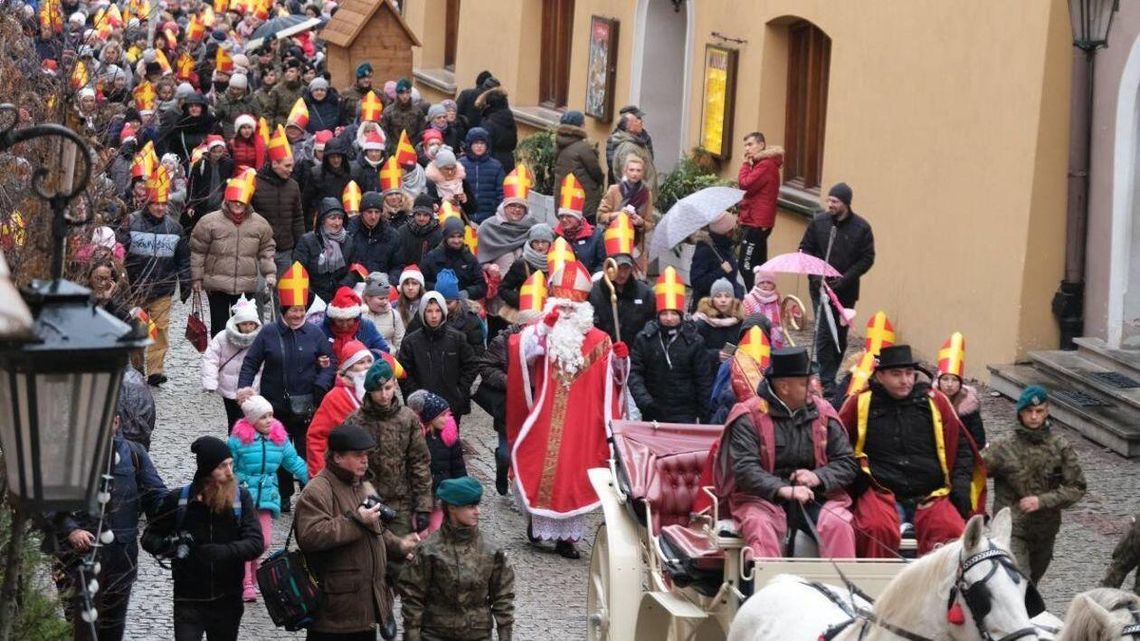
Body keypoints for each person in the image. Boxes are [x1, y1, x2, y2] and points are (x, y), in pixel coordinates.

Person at [509, 261, 628, 558]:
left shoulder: (600, 340)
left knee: (574, 474)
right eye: (562, 307)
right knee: (539, 468)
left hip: (582, 421)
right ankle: (537, 525)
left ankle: (567, 539)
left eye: (572, 309)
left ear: (584, 310)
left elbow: (614, 381)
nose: (566, 313)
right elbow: (522, 351)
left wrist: (621, 362)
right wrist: (543, 327)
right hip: (545, 414)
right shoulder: (544, 332)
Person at [837, 344, 985, 557]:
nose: (905, 380)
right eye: (896, 374)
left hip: (931, 493)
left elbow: (961, 446)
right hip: (881, 492)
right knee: (873, 528)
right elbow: (839, 446)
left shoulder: (936, 402)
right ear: (880, 376)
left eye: (909, 373)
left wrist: (960, 488)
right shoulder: (859, 404)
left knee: (952, 531)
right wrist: (859, 485)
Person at [714, 347, 858, 558]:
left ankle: (841, 580)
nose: (814, 387)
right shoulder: (748, 415)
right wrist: (783, 489)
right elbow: (745, 470)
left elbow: (847, 463)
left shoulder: (825, 412)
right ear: (783, 386)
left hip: (815, 498)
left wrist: (818, 477)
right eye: (805, 382)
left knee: (839, 524)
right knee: (760, 527)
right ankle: (767, 579)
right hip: (761, 500)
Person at [294, 424, 420, 640]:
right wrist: (356, 521)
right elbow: (311, 536)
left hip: (365, 607)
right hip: (335, 612)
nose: (365, 460)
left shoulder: (359, 486)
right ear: (337, 457)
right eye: (358, 455)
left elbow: (374, 528)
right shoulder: (318, 490)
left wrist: (399, 546)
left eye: (366, 455)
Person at [51, 410, 166, 641]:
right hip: (76, 561)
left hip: (121, 561)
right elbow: (49, 505)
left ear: (116, 422)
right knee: (80, 629)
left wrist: (186, 502)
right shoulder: (67, 456)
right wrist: (72, 530)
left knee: (112, 630)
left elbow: (156, 496)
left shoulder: (134, 453)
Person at [141, 436, 264, 641]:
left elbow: (255, 543)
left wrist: (225, 551)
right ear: (207, 470)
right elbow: (148, 537)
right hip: (188, 599)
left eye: (231, 464)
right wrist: (170, 547)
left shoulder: (240, 499)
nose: (229, 472)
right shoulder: (180, 500)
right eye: (222, 466)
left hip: (227, 599)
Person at [238, 265, 335, 512]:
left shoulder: (315, 333)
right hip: (275, 405)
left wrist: (321, 384)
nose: (297, 314)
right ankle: (282, 495)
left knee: (304, 452)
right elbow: (250, 363)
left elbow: (330, 363)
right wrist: (244, 388)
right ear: (284, 309)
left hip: (306, 406)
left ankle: (309, 494)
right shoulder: (268, 333)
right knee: (277, 452)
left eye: (301, 310)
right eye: (293, 310)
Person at [983, 386, 1085, 583]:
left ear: (1047, 412)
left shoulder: (1060, 446)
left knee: (1032, 583)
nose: (1034, 417)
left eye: (1039, 411)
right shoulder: (1003, 446)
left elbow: (1077, 487)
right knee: (1020, 581)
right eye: (1029, 411)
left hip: (1045, 529)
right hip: (1012, 527)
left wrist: (1042, 501)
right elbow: (976, 473)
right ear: (1020, 413)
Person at [399, 477, 515, 641]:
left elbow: (503, 597)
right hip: (435, 634)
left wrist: (505, 636)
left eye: (477, 505)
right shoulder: (428, 550)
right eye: (471, 507)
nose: (478, 511)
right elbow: (413, 597)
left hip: (477, 634)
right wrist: (412, 636)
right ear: (452, 508)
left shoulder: (491, 550)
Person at [227, 396, 310, 602]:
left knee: (264, 541)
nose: (269, 420)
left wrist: (312, 479)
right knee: (245, 539)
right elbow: (228, 465)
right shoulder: (237, 440)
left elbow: (293, 462)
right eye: (263, 417)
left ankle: (252, 572)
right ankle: (246, 582)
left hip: (267, 495)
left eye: (271, 415)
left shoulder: (279, 438)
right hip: (243, 495)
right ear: (252, 419)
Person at [800, 182, 875, 397]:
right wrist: (815, 275)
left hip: (845, 291)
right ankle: (826, 380)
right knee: (825, 331)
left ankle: (830, 373)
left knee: (839, 335)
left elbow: (867, 258)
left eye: (835, 201)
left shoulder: (861, 228)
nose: (830, 204)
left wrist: (845, 279)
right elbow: (806, 248)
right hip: (820, 288)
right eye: (829, 200)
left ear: (846, 204)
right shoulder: (819, 222)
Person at [122, 169, 191, 387]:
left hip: (163, 289)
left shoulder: (175, 228)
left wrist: (186, 281)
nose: (160, 208)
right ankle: (136, 365)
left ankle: (155, 370)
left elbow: (183, 258)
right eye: (156, 204)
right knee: (137, 328)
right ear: (148, 203)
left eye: (163, 204)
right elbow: (120, 253)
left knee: (160, 329)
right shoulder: (131, 222)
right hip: (135, 289)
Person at [352, 358, 434, 538]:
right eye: (378, 390)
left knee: (401, 549)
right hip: (366, 501)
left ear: (395, 385)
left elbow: (419, 462)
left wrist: (423, 506)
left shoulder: (408, 418)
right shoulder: (355, 422)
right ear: (369, 391)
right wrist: (362, 483)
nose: (384, 395)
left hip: (400, 503)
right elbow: (343, 462)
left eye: (388, 388)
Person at [189, 175, 277, 336]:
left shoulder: (260, 224)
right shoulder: (209, 222)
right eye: (234, 201)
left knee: (244, 328)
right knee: (219, 328)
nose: (238, 204)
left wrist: (270, 273)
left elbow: (267, 250)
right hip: (217, 285)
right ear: (227, 200)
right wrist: (197, 278)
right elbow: (198, 251)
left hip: (245, 285)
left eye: (241, 201)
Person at [628, 267, 712, 423]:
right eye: (664, 313)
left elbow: (703, 381)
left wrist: (705, 416)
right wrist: (644, 401)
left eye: (673, 313)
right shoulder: (644, 339)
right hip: (653, 411)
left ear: (680, 315)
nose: (669, 318)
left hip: (685, 414)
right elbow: (635, 373)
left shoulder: (694, 341)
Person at [398, 290, 479, 425]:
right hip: (421, 405)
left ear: (443, 312)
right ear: (423, 313)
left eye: (437, 311)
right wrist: (414, 394)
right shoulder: (411, 342)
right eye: (429, 311)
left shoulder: (457, 338)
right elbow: (404, 372)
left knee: (449, 437)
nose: (434, 316)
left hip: (450, 404)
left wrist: (459, 390)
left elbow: (471, 364)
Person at [305, 340, 374, 477]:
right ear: (348, 368)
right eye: (361, 363)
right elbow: (316, 438)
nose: (366, 367)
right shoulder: (334, 398)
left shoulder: (377, 392)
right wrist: (321, 476)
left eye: (369, 362)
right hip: (347, 469)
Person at [588, 213, 655, 343]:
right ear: (609, 267)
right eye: (618, 268)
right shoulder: (594, 293)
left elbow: (651, 327)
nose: (622, 274)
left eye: (626, 268)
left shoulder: (645, 294)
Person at [407, 391, 466, 534]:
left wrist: (462, 490)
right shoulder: (416, 438)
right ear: (430, 417)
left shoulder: (449, 438)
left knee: (437, 531)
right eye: (442, 415)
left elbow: (458, 466)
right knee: (419, 533)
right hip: (418, 498)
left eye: (447, 414)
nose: (447, 419)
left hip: (441, 495)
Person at [251, 126, 306, 277]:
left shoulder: (293, 186)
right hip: (260, 251)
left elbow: (298, 218)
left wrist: (300, 245)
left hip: (285, 250)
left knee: (283, 290)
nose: (291, 170)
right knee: (259, 290)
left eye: (292, 166)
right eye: (287, 166)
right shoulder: (255, 184)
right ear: (274, 164)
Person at [202, 295, 262, 429]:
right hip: (228, 388)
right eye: (244, 324)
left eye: (251, 324)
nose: (248, 328)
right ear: (237, 324)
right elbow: (211, 359)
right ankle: (234, 439)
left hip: (251, 388)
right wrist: (210, 382)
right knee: (232, 420)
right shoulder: (222, 337)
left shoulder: (261, 339)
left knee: (246, 420)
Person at [737, 132, 784, 289]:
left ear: (761, 145)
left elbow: (745, 184)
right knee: (760, 266)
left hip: (756, 223)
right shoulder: (762, 164)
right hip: (758, 221)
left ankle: (755, 298)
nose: (747, 149)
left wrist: (745, 165)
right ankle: (763, 296)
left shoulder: (765, 165)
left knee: (746, 266)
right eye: (745, 145)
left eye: (750, 144)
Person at [597, 155, 655, 273]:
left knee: (635, 279)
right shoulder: (614, 190)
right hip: (615, 241)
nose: (635, 173)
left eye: (638, 170)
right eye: (631, 170)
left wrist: (640, 222)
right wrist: (617, 215)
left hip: (636, 244)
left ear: (643, 173)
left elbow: (649, 223)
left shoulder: (646, 194)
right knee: (614, 274)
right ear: (625, 171)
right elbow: (600, 216)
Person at [294, 198, 355, 304]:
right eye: (332, 218)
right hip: (313, 300)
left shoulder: (348, 241)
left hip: (341, 297)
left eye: (340, 218)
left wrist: (343, 286)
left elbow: (356, 269)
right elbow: (298, 273)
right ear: (322, 220)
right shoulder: (307, 241)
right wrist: (312, 298)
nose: (337, 222)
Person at [934, 333, 986, 449]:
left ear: (960, 383)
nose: (949, 384)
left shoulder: (969, 407)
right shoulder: (929, 402)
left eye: (954, 380)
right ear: (939, 381)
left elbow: (979, 441)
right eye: (945, 379)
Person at [554, 110, 605, 224]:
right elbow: (596, 172)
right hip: (583, 201)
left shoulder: (559, 144)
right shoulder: (583, 147)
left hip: (565, 200)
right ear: (580, 126)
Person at [422, 217, 487, 299]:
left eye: (460, 236)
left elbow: (482, 286)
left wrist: (467, 293)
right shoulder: (433, 257)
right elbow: (421, 281)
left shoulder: (469, 258)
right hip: (437, 301)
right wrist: (438, 288)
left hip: (463, 302)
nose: (456, 241)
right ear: (445, 237)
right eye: (452, 237)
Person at [552, 175, 605, 272]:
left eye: (569, 216)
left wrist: (593, 278)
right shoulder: (554, 235)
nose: (564, 219)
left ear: (578, 218)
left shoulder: (596, 236)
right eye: (562, 216)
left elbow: (602, 263)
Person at [321, 286, 391, 356]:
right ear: (333, 319)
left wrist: (364, 357)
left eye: (348, 320)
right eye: (340, 321)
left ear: (355, 318)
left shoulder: (367, 326)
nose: (345, 325)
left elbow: (383, 350)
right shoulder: (322, 329)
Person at [186, 136, 236, 229]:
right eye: (214, 152)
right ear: (209, 151)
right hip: (203, 206)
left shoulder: (229, 164)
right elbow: (193, 185)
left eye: (220, 151)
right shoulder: (200, 164)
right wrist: (191, 205)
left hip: (221, 205)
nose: (217, 155)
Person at [693, 278, 745, 367]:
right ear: (712, 299)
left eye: (727, 296)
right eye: (718, 296)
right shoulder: (701, 323)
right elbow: (693, 352)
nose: (723, 300)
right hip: (708, 370)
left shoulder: (740, 322)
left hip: (733, 369)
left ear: (733, 299)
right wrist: (715, 355)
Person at [346, 190, 401, 274]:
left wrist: (388, 280)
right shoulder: (349, 233)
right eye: (369, 212)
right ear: (362, 212)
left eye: (377, 212)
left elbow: (398, 267)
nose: (373, 217)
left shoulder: (392, 236)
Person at [460, 127, 506, 224]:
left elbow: (501, 193)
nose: (479, 146)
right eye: (476, 143)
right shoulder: (460, 165)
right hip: (464, 216)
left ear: (487, 145)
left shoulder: (496, 166)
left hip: (489, 217)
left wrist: (498, 213)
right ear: (469, 145)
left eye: (482, 143)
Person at [606, 107, 655, 188]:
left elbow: (650, 158)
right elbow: (613, 163)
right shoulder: (618, 139)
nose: (640, 121)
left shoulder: (645, 137)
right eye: (637, 119)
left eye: (640, 118)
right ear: (628, 123)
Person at [475, 86, 517, 172]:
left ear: (489, 105)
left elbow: (484, 145)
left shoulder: (488, 122)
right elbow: (514, 143)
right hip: (509, 161)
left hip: (491, 162)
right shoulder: (510, 120)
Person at [742, 269, 787, 349]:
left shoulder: (778, 297)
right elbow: (747, 320)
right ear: (757, 283)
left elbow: (783, 316)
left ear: (773, 284)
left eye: (769, 282)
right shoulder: (749, 299)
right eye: (762, 282)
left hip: (776, 337)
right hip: (757, 338)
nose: (765, 285)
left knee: (776, 355)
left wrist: (790, 314)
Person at [362, 272, 406, 352]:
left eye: (387, 298)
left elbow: (400, 344)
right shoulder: (360, 315)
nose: (385, 302)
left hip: (389, 358)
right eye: (381, 298)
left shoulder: (394, 315)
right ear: (368, 298)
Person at [381, 77, 425, 145]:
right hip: (393, 148)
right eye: (402, 93)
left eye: (407, 92)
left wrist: (413, 146)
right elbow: (384, 132)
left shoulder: (418, 112)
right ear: (397, 93)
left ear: (410, 92)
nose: (405, 96)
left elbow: (421, 132)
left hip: (411, 148)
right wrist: (391, 147)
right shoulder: (388, 112)